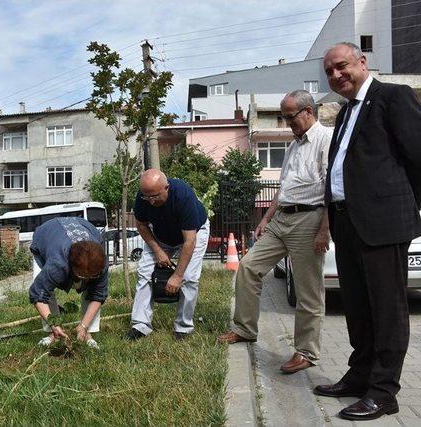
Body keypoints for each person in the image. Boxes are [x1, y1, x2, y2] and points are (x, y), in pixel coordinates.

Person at [313, 42, 421, 421]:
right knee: (357, 307)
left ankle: (383, 391)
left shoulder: (393, 97)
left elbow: (418, 156)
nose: (335, 75)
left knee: (387, 309)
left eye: (341, 66)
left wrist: (411, 209)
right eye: (329, 71)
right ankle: (359, 376)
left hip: (384, 222)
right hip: (347, 221)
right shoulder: (344, 113)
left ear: (362, 62)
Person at [217, 90, 332, 374]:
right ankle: (245, 329)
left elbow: (333, 186)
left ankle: (306, 352)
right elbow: (284, 188)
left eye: (290, 116)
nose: (287, 122)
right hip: (282, 218)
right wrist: (267, 217)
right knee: (248, 267)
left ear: (308, 111)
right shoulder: (293, 146)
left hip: (310, 218)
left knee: (308, 292)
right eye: (283, 116)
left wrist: (324, 230)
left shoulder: (326, 140)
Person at [125, 169, 209, 341]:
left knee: (189, 277)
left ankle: (183, 327)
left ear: (167, 188)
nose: (151, 201)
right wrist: (158, 251)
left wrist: (177, 275)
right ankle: (140, 325)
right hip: (161, 236)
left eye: (154, 196)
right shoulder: (143, 198)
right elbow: (141, 226)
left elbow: (189, 241)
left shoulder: (183, 196)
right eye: (146, 197)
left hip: (194, 232)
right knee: (144, 273)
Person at [28, 217, 108, 349]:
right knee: (45, 288)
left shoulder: (100, 263)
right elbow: (38, 294)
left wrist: (83, 325)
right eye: (83, 276)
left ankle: (86, 333)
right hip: (47, 236)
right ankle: (53, 333)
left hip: (83, 227)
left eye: (91, 276)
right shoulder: (57, 263)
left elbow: (99, 295)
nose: (86, 280)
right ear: (70, 266)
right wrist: (54, 324)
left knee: (94, 287)